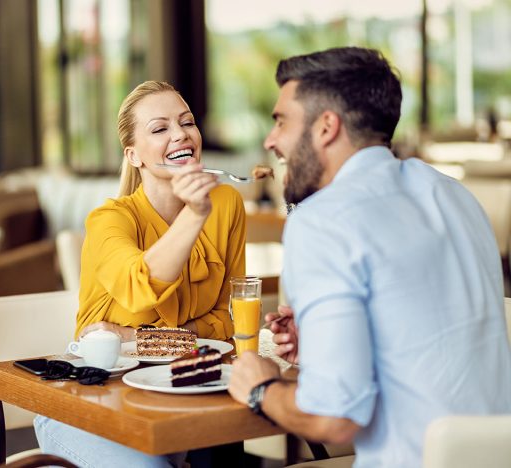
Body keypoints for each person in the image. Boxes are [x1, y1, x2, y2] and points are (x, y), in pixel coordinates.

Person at [228, 47, 511, 468]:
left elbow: (335, 419)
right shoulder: (456, 197)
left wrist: (260, 388)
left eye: (281, 121)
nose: (272, 141)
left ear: (326, 127)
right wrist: (327, 346)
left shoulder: (323, 221)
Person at [35, 80, 245, 467]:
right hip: (90, 402)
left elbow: (226, 319)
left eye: (187, 122)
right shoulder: (108, 220)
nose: (181, 134)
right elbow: (140, 288)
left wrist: (138, 337)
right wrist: (195, 215)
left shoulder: (226, 203)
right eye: (160, 128)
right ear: (134, 156)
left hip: (174, 390)